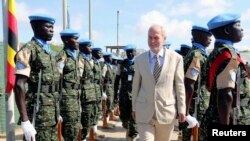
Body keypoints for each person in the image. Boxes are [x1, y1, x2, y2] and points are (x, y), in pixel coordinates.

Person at [132, 24, 186, 141]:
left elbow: (179, 86)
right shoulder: (139, 59)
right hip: (144, 111)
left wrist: (182, 109)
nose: (152, 41)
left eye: (156, 38)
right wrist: (134, 108)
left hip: (166, 112)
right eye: (149, 37)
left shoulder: (176, 59)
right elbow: (136, 85)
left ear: (164, 38)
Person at [200, 13, 250, 140]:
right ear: (227, 30)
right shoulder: (228, 56)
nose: (242, 29)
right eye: (238, 25)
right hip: (227, 120)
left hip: (217, 117)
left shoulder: (216, 53)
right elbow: (225, 96)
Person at [14, 14, 60, 141]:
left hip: (52, 110)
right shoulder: (28, 50)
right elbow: (19, 85)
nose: (52, 30)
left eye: (53, 27)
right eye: (48, 27)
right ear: (36, 28)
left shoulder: (49, 51)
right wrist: (25, 120)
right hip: (38, 112)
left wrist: (58, 109)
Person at [179, 25, 212, 141]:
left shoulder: (198, 54)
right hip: (196, 106)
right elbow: (189, 84)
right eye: (208, 36)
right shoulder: (197, 56)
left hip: (196, 105)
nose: (211, 39)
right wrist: (187, 113)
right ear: (199, 36)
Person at [56, 28, 82, 141]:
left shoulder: (76, 57)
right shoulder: (62, 56)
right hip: (66, 99)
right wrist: (57, 106)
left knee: (75, 127)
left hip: (75, 97)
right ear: (66, 41)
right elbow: (57, 80)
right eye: (75, 39)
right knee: (69, 129)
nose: (78, 42)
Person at [114, 44, 138, 140]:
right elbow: (116, 80)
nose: (130, 53)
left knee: (134, 119)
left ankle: (131, 136)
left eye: (132, 51)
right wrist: (115, 95)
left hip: (135, 95)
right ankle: (127, 129)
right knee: (124, 118)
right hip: (123, 95)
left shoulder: (139, 63)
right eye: (128, 52)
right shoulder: (121, 64)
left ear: (135, 52)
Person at [78, 39, 99, 141]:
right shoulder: (80, 59)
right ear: (82, 47)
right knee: (84, 120)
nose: (90, 48)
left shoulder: (88, 59)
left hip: (90, 94)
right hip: (84, 95)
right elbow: (78, 79)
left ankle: (86, 137)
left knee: (89, 118)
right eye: (88, 46)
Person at [102, 52, 118, 127]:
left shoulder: (110, 66)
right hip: (107, 88)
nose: (111, 59)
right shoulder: (105, 66)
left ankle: (107, 122)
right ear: (106, 58)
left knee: (110, 103)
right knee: (107, 104)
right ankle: (105, 123)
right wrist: (103, 91)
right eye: (110, 57)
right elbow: (103, 79)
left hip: (111, 87)